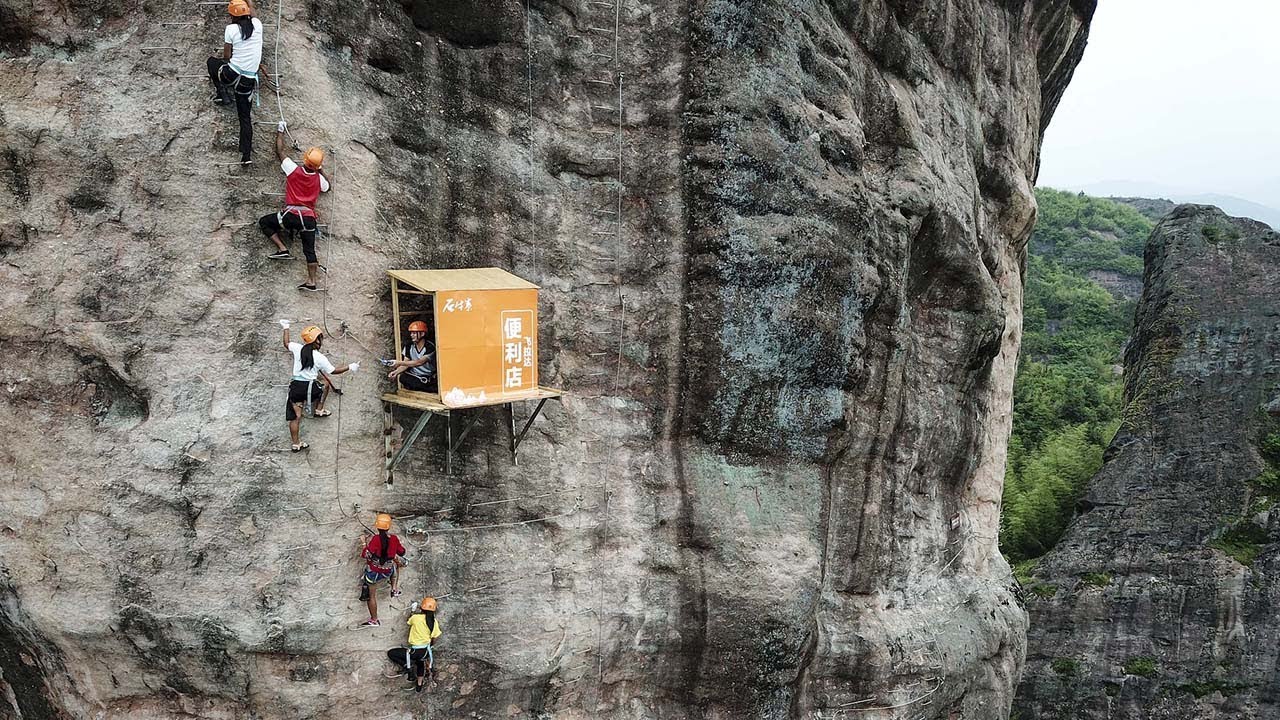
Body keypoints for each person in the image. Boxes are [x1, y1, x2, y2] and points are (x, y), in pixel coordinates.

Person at [259, 124, 331, 292]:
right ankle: (311, 281)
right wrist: (320, 170)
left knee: (265, 222)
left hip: (291, 215)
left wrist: (280, 131)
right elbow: (328, 187)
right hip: (308, 219)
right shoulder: (319, 179)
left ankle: (282, 248)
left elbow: (280, 152)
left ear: (305, 159)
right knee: (309, 250)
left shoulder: (293, 170)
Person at [205, 0, 271, 163]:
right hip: (247, 82)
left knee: (212, 62)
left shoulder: (231, 29)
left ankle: (222, 94)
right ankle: (246, 155)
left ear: (232, 16)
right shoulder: (257, 25)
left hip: (231, 75)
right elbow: (253, 8)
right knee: (245, 118)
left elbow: (227, 56)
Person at [279, 320, 357, 451]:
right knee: (325, 384)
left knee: (296, 417)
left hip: (296, 388)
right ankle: (319, 409)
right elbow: (333, 371)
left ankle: (296, 444)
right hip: (310, 388)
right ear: (317, 340)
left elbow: (286, 343)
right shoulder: (320, 357)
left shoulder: (298, 348)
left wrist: (286, 327)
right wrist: (350, 367)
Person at [384, 597, 441, 693]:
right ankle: (419, 684)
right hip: (425, 651)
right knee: (420, 662)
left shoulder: (416, 618)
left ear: (421, 608)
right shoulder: (434, 622)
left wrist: (413, 610)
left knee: (391, 653)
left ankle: (407, 667)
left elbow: (408, 621)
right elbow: (435, 637)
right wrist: (431, 645)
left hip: (414, 651)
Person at [360, 513, 407, 627]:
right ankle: (394, 588)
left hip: (373, 573)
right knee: (396, 562)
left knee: (371, 596)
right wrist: (394, 547)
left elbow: (367, 555)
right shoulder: (394, 539)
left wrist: (363, 542)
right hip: (387, 571)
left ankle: (374, 619)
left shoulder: (376, 539)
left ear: (377, 526)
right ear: (389, 526)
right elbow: (402, 552)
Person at [387, 320, 437, 393]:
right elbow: (405, 364)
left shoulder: (430, 347)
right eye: (411, 333)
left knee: (426, 384)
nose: (411, 335)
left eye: (414, 333)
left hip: (427, 377)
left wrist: (398, 362)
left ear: (422, 334)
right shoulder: (409, 346)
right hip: (415, 376)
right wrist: (396, 372)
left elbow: (419, 362)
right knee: (403, 378)